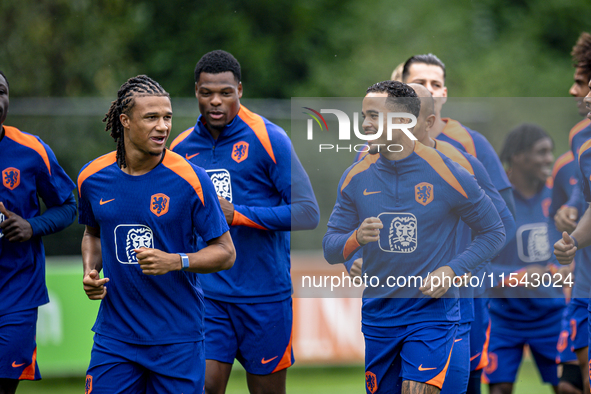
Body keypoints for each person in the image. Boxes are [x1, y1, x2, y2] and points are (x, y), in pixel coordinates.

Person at [323, 80, 505, 394]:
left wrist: (452, 270)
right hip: (379, 316)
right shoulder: (355, 176)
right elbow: (331, 247)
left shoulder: (448, 172)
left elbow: (494, 231)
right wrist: (356, 240)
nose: (364, 125)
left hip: (431, 313)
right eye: (363, 116)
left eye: (373, 116)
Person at [170, 50, 319, 394]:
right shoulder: (179, 148)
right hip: (209, 294)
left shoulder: (270, 139)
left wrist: (239, 214)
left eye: (226, 93)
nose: (216, 102)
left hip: (265, 296)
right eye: (207, 93)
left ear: (240, 89)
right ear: (196, 92)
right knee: (204, 386)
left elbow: (308, 213)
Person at [78, 75, 235, 394]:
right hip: (115, 337)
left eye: (167, 117)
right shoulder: (91, 178)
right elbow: (92, 234)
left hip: (177, 339)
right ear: (125, 120)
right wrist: (90, 271)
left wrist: (176, 261)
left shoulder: (192, 179)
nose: (163, 126)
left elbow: (226, 252)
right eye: (151, 117)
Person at [408, 83, 515, 394]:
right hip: (393, 307)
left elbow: (501, 224)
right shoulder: (373, 161)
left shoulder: (461, 161)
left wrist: (461, 269)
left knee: (464, 383)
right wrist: (357, 254)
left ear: (430, 119)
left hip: (454, 302)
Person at [0, 71, 77, 394]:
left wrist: (32, 226)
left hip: (16, 292)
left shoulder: (31, 150)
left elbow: (69, 205)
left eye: (1, 91)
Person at [484, 124, 565, 394]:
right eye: (541, 152)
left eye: (550, 152)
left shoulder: (561, 197)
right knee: (500, 390)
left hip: (553, 314)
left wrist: (560, 270)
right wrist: (515, 276)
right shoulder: (491, 201)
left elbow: (578, 254)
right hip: (502, 317)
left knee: (569, 387)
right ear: (518, 156)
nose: (549, 159)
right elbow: (473, 264)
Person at [547, 32, 591, 394]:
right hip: (584, 282)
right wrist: (570, 221)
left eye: (581, 82)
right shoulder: (581, 139)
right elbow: (585, 197)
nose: (575, 92)